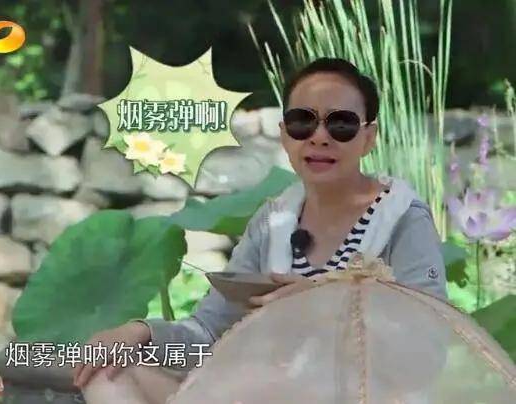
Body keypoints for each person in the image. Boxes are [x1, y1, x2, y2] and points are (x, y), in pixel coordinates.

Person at [73, 57, 448, 404]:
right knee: (110, 375)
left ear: (368, 137)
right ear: (285, 135)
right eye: (303, 122)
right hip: (256, 391)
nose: (320, 137)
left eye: (341, 124)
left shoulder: (402, 218)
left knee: (251, 382)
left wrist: (330, 309)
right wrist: (141, 333)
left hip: (360, 394)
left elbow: (427, 349)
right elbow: (209, 332)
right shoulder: (274, 221)